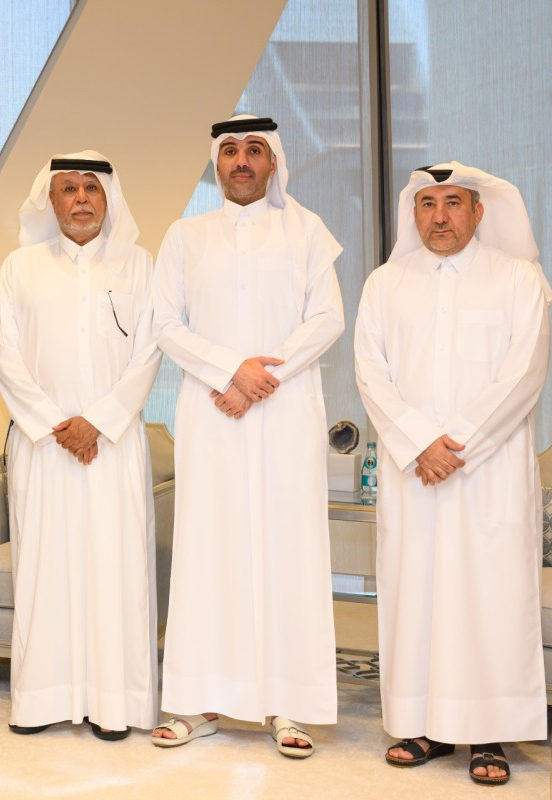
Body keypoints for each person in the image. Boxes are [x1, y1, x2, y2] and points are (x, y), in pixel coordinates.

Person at [354, 162, 552, 786]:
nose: (439, 217)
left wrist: (456, 444)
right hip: (413, 469)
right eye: (428, 204)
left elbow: (525, 373)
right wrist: (419, 444)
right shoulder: (386, 282)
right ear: (413, 214)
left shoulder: (518, 280)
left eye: (453, 203)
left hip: (485, 471)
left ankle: (486, 733)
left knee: (487, 595)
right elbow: (370, 371)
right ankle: (422, 724)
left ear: (479, 211)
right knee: (415, 591)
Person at [151, 115, 344, 757]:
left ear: (272, 162)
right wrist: (229, 371)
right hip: (211, 416)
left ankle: (286, 708)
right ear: (216, 163)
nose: (241, 161)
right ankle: (198, 704)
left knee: (286, 553)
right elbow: (164, 324)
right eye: (230, 151)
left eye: (253, 150)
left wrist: (262, 376)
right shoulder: (185, 236)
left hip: (285, 414)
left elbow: (328, 319)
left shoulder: (307, 229)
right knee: (209, 554)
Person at [0, 151, 162, 741]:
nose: (82, 198)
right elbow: (4, 357)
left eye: (92, 187)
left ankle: (115, 705)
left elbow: (149, 353)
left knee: (115, 571)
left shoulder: (139, 265)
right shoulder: (20, 267)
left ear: (109, 197)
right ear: (51, 199)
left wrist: (100, 421)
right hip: (43, 448)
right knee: (44, 569)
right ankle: (41, 700)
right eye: (69, 188)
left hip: (113, 446)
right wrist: (56, 424)